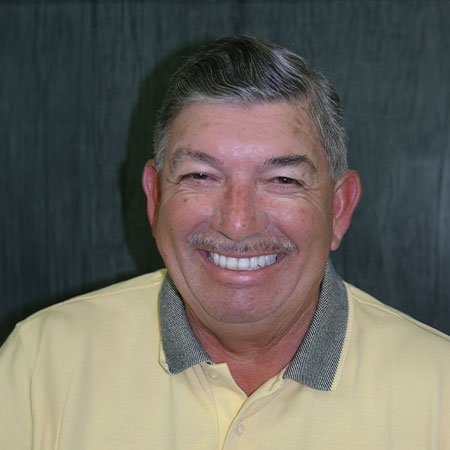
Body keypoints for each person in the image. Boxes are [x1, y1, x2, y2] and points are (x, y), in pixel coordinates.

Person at [1, 36, 449, 450]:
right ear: (155, 197)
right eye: (201, 175)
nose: (237, 223)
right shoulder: (42, 364)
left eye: (283, 179)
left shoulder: (438, 389)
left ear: (338, 209)